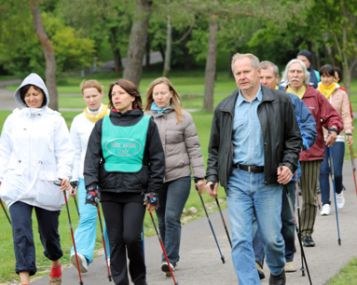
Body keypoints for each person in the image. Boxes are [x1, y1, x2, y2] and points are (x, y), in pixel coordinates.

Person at [205, 53, 302, 285]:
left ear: (258, 72)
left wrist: (288, 164)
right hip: (237, 180)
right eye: (238, 73)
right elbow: (215, 147)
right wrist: (212, 175)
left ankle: (277, 271)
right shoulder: (225, 108)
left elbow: (293, 139)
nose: (242, 77)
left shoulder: (280, 102)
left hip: (268, 180)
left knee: (272, 240)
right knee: (240, 239)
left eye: (246, 71)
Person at [83, 79, 165, 285]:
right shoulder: (103, 124)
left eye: (120, 93)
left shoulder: (148, 123)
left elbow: (157, 159)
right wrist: (91, 186)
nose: (116, 97)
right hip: (109, 191)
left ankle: (139, 280)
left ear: (132, 97)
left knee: (131, 237)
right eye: (113, 94)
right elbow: (91, 157)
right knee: (115, 240)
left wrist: (153, 190)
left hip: (136, 191)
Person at [0, 73, 73, 285]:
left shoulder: (55, 120)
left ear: (43, 94)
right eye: (28, 94)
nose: (31, 98)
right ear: (22, 96)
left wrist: (64, 176)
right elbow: (4, 150)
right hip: (18, 185)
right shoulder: (13, 119)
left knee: (49, 233)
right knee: (21, 231)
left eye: (36, 93)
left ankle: (55, 259)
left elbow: (65, 151)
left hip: (47, 184)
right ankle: (24, 279)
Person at [253, 61, 316, 278]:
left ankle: (288, 255)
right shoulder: (250, 103)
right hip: (258, 171)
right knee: (258, 217)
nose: (263, 82)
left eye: (267, 78)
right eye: (260, 78)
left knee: (286, 218)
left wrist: (297, 148)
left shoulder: (290, 101)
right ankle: (257, 260)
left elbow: (308, 128)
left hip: (285, 170)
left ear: (277, 79)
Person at [144, 77, 206, 274]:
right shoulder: (144, 118)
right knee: (162, 219)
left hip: (179, 175)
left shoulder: (183, 117)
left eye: (163, 92)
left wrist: (199, 176)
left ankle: (170, 258)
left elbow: (194, 148)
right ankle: (167, 255)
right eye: (156, 93)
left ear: (171, 94)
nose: (160, 96)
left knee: (171, 216)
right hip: (155, 178)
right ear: (151, 96)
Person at [281, 59, 343, 247]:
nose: (295, 75)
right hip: (283, 156)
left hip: (310, 153)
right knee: (283, 198)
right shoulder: (279, 95)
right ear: (286, 75)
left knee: (308, 195)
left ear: (305, 75)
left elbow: (333, 116)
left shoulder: (314, 96)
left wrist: (333, 130)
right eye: (291, 72)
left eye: (299, 72)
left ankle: (306, 232)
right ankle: (286, 232)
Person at [69, 79, 110, 272]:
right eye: (87, 96)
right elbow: (75, 152)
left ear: (101, 94)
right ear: (83, 98)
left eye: (94, 95)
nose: (91, 100)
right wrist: (73, 178)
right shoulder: (78, 120)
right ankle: (81, 255)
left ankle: (113, 255)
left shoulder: (112, 115)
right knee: (87, 216)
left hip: (111, 175)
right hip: (86, 176)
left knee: (112, 218)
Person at [317, 64, 353, 215]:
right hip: (320, 137)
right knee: (323, 170)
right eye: (323, 76)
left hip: (336, 135)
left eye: (328, 76)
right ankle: (325, 203)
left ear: (334, 77)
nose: (326, 79)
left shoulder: (341, 93)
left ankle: (338, 192)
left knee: (337, 172)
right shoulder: (315, 92)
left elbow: (345, 114)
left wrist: (349, 132)